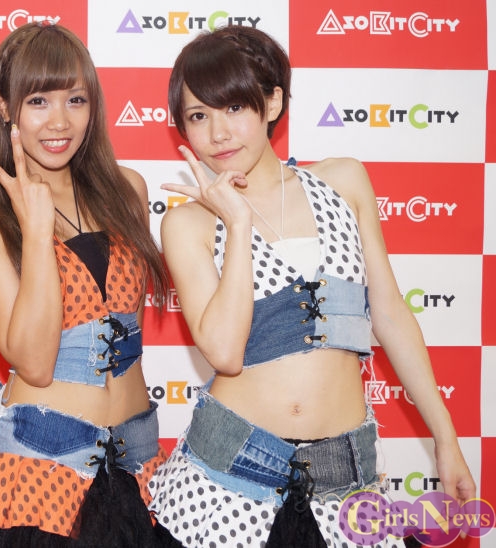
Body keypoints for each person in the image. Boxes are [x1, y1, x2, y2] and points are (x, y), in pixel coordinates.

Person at [147, 26, 476, 548]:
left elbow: (390, 314)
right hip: (228, 485)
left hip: (343, 484)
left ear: (273, 102)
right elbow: (224, 353)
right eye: (198, 116)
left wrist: (445, 437)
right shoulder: (187, 224)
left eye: (234, 107)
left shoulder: (344, 181)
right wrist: (236, 224)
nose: (218, 133)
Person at [0, 22, 170, 547]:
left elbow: (125, 332)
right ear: (5, 106)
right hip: (40, 470)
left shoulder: (129, 190)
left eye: (75, 99)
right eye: (38, 101)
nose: (59, 121)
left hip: (137, 463)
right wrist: (35, 233)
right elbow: (32, 363)